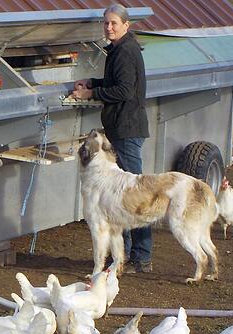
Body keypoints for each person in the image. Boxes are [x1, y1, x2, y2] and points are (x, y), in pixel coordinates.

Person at [71, 4, 152, 273]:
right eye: (106, 23)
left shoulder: (125, 51)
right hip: (121, 128)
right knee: (120, 198)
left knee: (134, 195)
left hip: (127, 130)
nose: (109, 27)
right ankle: (123, 255)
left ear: (126, 25)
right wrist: (93, 82)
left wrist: (91, 95)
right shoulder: (118, 49)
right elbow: (114, 82)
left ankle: (141, 255)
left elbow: (124, 90)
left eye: (114, 23)